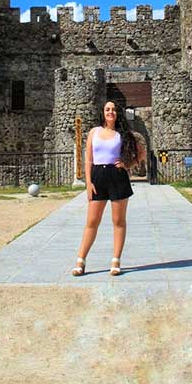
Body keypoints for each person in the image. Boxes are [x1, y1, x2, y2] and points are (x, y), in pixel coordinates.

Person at [71, 100, 145, 278]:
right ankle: (81, 261)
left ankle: (116, 260)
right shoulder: (93, 132)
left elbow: (141, 152)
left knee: (118, 221)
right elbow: (89, 159)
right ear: (103, 112)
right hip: (98, 176)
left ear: (117, 113)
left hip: (117, 177)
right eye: (107, 109)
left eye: (113, 110)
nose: (110, 112)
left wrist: (128, 164)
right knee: (92, 221)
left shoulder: (123, 134)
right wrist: (89, 183)